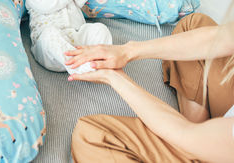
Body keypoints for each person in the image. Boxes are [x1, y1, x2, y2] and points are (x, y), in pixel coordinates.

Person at [64, 12, 234, 162]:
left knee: (93, 135)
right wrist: (127, 51)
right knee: (193, 25)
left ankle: (188, 149)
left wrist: (115, 77)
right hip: (219, 134)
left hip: (212, 141)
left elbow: (186, 134)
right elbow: (224, 38)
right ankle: (192, 140)